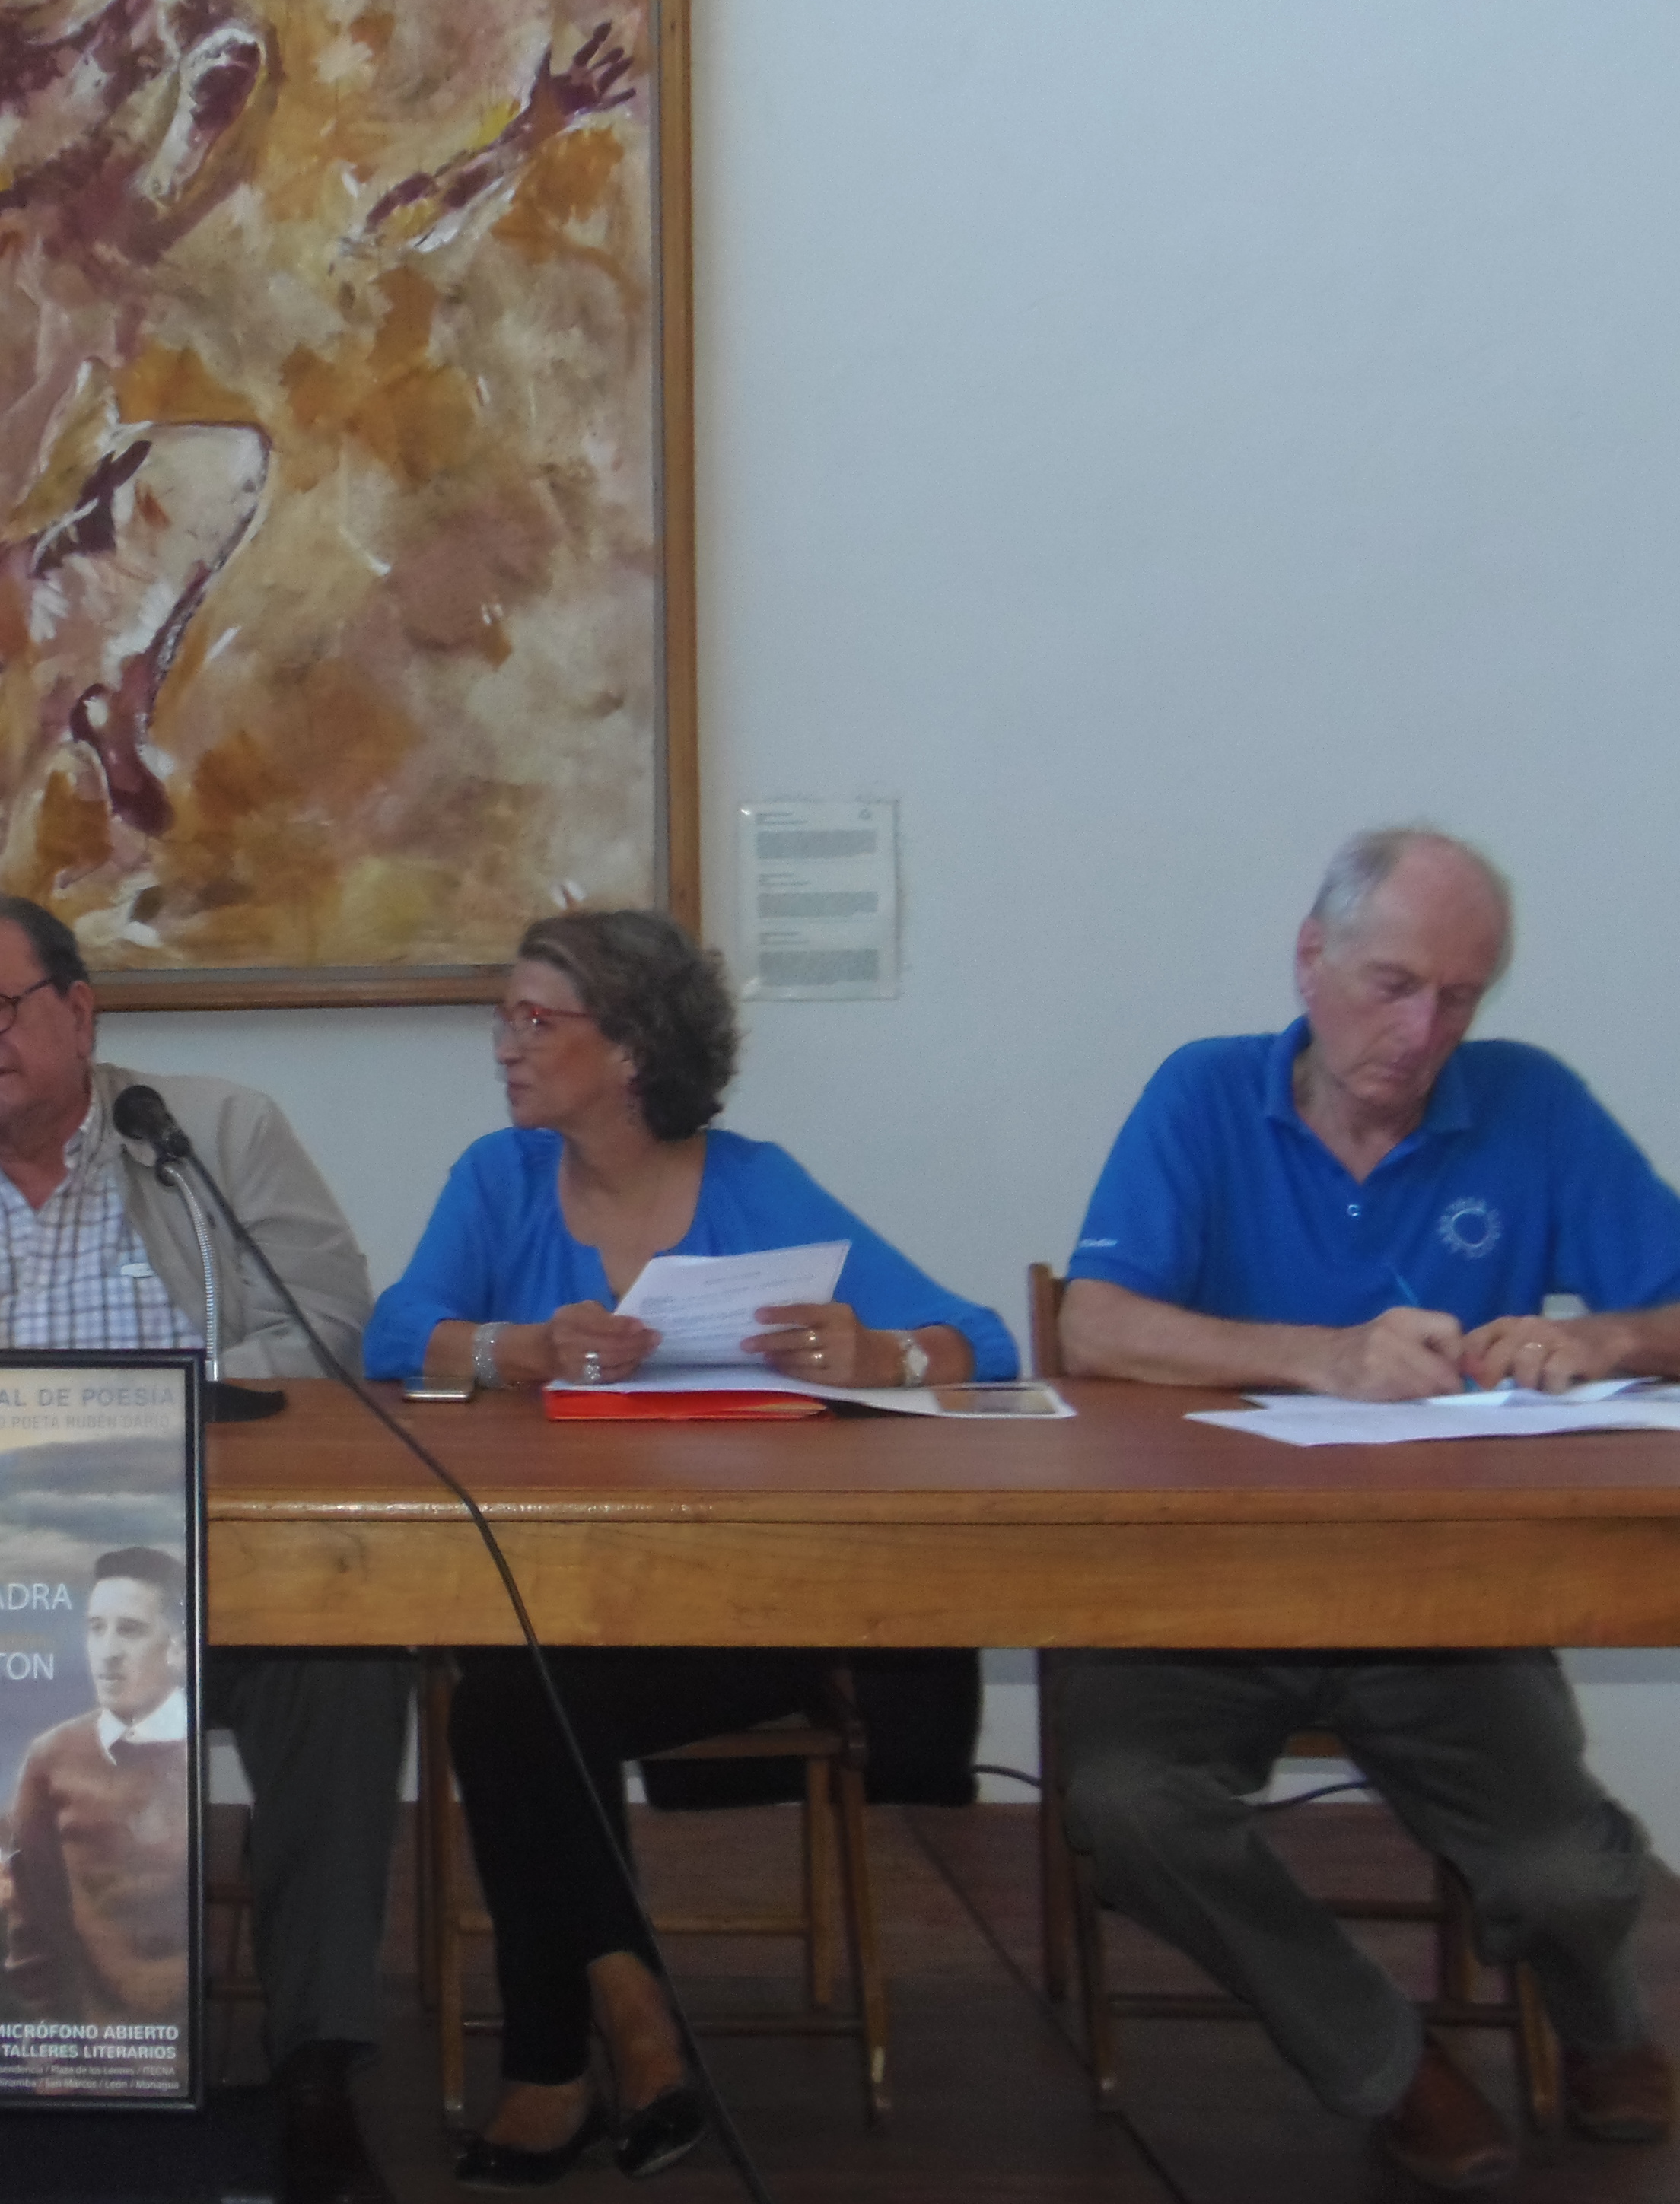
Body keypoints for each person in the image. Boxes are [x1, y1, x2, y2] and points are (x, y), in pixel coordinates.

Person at [1054, 827, 1678, 2192]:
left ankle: (1604, 2022)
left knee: (1562, 1874)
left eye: (1458, 996)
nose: (1420, 1028)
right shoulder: (1203, 1094)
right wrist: (1317, 1354)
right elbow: (1092, 1322)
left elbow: (1669, 1306)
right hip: (1194, 1584)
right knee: (1121, 1800)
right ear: (1308, 960)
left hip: (1436, 1591)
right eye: (1391, 984)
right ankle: (1386, 2062)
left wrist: (1607, 1341)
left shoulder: (1529, 1106)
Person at [363, 907, 1013, 2189]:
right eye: (504, 1016)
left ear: (627, 1051)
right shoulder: (498, 1178)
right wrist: (515, 1349)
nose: (503, 1045)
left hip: (744, 1609)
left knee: (505, 1707)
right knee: (518, 1694)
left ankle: (555, 2060)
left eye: (533, 1020)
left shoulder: (754, 1184)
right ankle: (633, 2017)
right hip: (557, 1600)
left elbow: (983, 1339)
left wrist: (882, 1354)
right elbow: (394, 1332)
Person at [0, 892, 411, 2204]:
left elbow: (327, 1331)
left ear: (79, 1010)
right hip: (7, 1583)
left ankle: (315, 2058)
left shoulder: (212, 1135)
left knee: (350, 1663)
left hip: (223, 1552)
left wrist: (144, 1416)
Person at [6, 1547, 194, 2031]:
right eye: (96, 1628)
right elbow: (33, 1932)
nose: (107, 1650)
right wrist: (53, 2062)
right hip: (93, 2060)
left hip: (188, 2057)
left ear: (178, 1647)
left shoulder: (197, 1756)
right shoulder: (52, 1758)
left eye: (129, 1630)